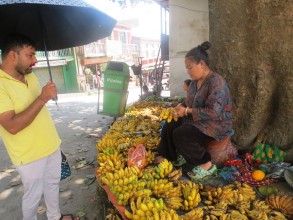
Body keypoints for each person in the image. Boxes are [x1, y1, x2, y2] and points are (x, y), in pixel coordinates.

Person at [0, 34, 73, 220]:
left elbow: (36, 107)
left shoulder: (29, 76)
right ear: (12, 55)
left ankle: (55, 217)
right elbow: (11, 126)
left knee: (53, 185)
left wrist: (46, 95)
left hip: (50, 144)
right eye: (30, 55)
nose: (35, 60)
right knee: (33, 195)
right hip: (28, 154)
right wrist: (42, 98)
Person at [156, 41, 233, 181]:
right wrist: (178, 108)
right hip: (198, 120)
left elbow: (214, 112)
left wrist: (186, 111)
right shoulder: (193, 83)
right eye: (187, 68)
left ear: (202, 64)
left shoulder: (216, 82)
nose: (188, 71)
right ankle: (168, 155)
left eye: (190, 68)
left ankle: (206, 164)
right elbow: (188, 103)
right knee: (171, 122)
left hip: (216, 124)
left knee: (182, 133)